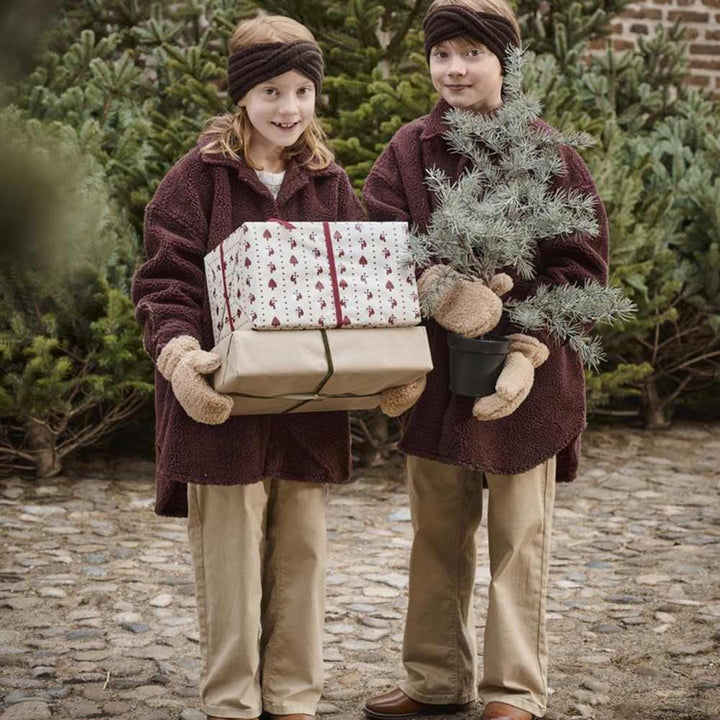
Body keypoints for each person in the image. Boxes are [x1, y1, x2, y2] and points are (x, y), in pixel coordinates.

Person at [362, 1, 609, 719]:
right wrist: (435, 285)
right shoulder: (408, 150)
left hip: (526, 377)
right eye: (442, 54)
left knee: (517, 539)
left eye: (471, 53)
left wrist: (527, 339)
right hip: (437, 373)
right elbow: (380, 243)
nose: (455, 68)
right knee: (436, 535)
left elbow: (584, 274)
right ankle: (435, 681)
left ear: (504, 61)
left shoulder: (550, 152)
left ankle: (514, 691)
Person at [131, 15, 365, 720]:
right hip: (221, 404)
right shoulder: (195, 179)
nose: (289, 108)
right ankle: (231, 701)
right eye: (271, 91)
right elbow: (162, 283)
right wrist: (179, 359)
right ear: (242, 97)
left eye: (302, 90)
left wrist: (383, 368)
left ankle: (293, 698)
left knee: (302, 554)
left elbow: (360, 281)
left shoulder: (329, 182)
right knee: (230, 560)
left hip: (307, 404)